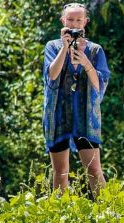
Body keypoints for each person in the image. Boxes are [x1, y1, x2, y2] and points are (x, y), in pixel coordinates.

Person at [43, 3, 110, 197]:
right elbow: (52, 76)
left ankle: (106, 213)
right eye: (70, 20)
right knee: (60, 172)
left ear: (85, 22)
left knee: (94, 169)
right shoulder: (52, 47)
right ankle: (60, 217)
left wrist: (85, 62)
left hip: (86, 116)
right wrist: (64, 49)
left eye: (78, 20)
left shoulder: (95, 50)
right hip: (58, 115)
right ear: (63, 21)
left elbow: (99, 85)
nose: (74, 24)